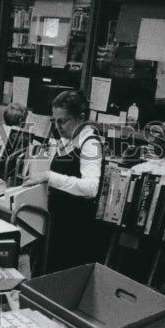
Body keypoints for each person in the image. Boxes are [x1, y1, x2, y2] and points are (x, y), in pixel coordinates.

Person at [24, 89, 105, 272]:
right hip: (56, 222)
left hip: (72, 228)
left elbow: (91, 188)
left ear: (81, 117)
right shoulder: (67, 139)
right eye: (54, 121)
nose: (58, 126)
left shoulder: (90, 144)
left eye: (62, 121)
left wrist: (48, 176)